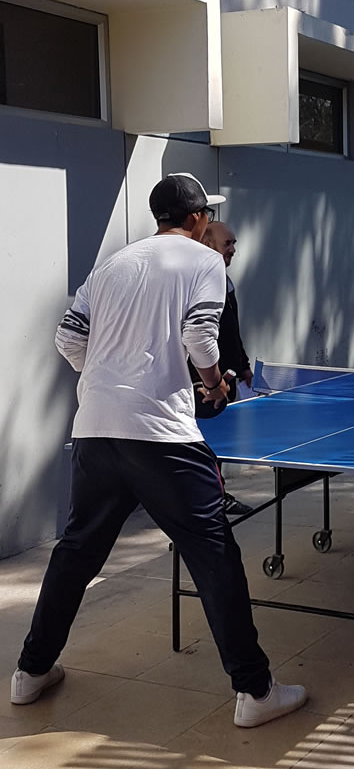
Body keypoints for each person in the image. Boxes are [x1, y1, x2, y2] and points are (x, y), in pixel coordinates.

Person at [11, 173, 307, 728]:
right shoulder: (205, 262)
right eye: (207, 215)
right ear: (196, 218)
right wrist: (213, 385)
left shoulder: (112, 265)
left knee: (76, 552)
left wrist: (109, 380)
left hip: (97, 431)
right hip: (164, 438)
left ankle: (30, 671)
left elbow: (68, 338)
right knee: (215, 557)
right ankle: (255, 692)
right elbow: (200, 336)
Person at [191, 221, 254, 517]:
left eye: (234, 243)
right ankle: (212, 500)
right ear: (208, 245)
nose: (233, 249)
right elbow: (196, 338)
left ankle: (215, 496)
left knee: (218, 445)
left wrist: (243, 366)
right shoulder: (198, 284)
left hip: (226, 381)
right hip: (205, 385)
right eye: (227, 243)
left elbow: (231, 331)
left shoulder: (225, 283)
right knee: (205, 446)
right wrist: (206, 381)